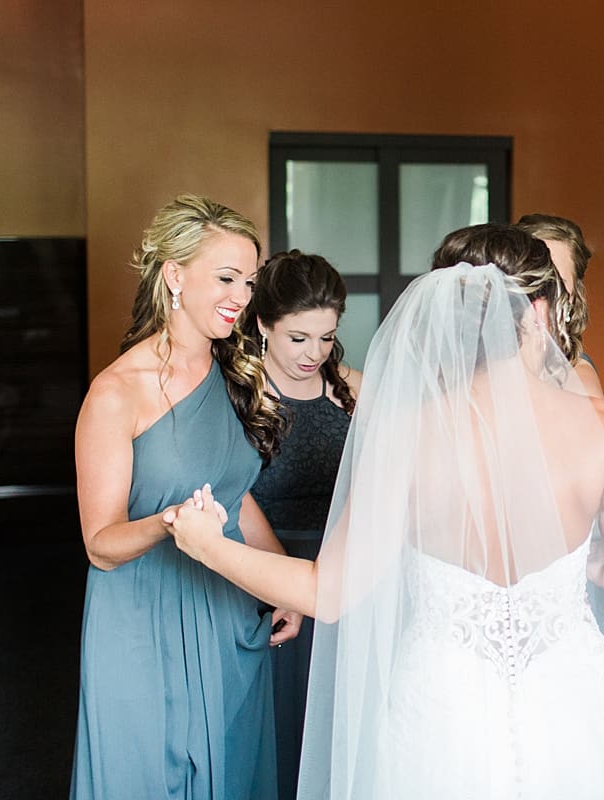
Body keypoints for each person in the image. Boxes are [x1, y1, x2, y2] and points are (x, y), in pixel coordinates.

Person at [166, 222, 604, 800]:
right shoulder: (602, 428)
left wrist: (208, 546)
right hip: (568, 700)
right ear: (539, 313)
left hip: (444, 700)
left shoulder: (407, 437)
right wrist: (600, 569)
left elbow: (327, 593)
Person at [70, 194, 301, 800]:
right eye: (226, 278)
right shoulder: (117, 392)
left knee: (231, 770)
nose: (242, 296)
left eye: (248, 281)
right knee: (152, 776)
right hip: (143, 616)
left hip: (225, 603)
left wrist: (282, 583)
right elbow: (100, 545)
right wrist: (168, 521)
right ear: (175, 276)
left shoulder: (235, 373)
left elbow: (234, 494)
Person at [247, 249, 361, 800]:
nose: (314, 353)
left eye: (326, 338)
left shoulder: (354, 389)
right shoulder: (236, 395)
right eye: (298, 338)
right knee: (277, 731)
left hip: (344, 572)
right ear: (263, 326)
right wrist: (279, 585)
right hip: (263, 574)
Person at [517, 212, 604, 397]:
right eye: (534, 280)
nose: (542, 296)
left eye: (557, 284)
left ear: (574, 298)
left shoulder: (579, 385)